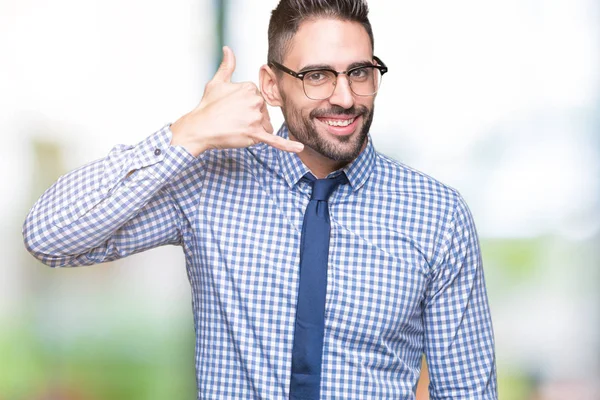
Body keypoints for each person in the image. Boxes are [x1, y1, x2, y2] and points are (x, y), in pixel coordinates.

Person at [23, 0, 497, 398]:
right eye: (317, 75)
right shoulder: (208, 184)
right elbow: (49, 236)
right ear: (271, 85)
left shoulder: (437, 214)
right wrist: (186, 133)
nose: (346, 97)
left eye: (359, 72)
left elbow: (467, 390)